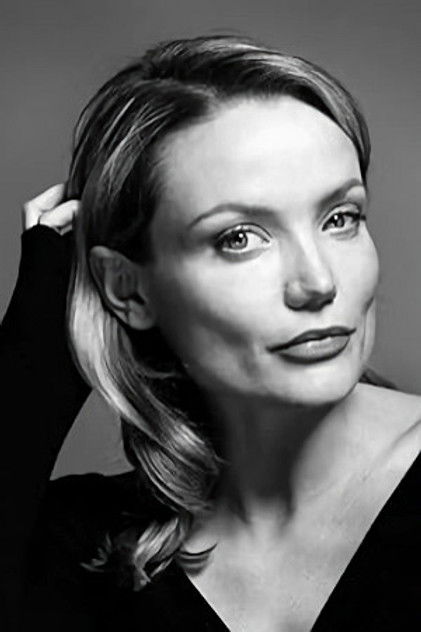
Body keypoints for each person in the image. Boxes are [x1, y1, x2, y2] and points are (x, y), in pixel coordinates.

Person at [0, 34, 420, 632]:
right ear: (128, 290)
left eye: (340, 218)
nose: (318, 282)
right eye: (239, 237)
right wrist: (37, 346)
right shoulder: (87, 549)